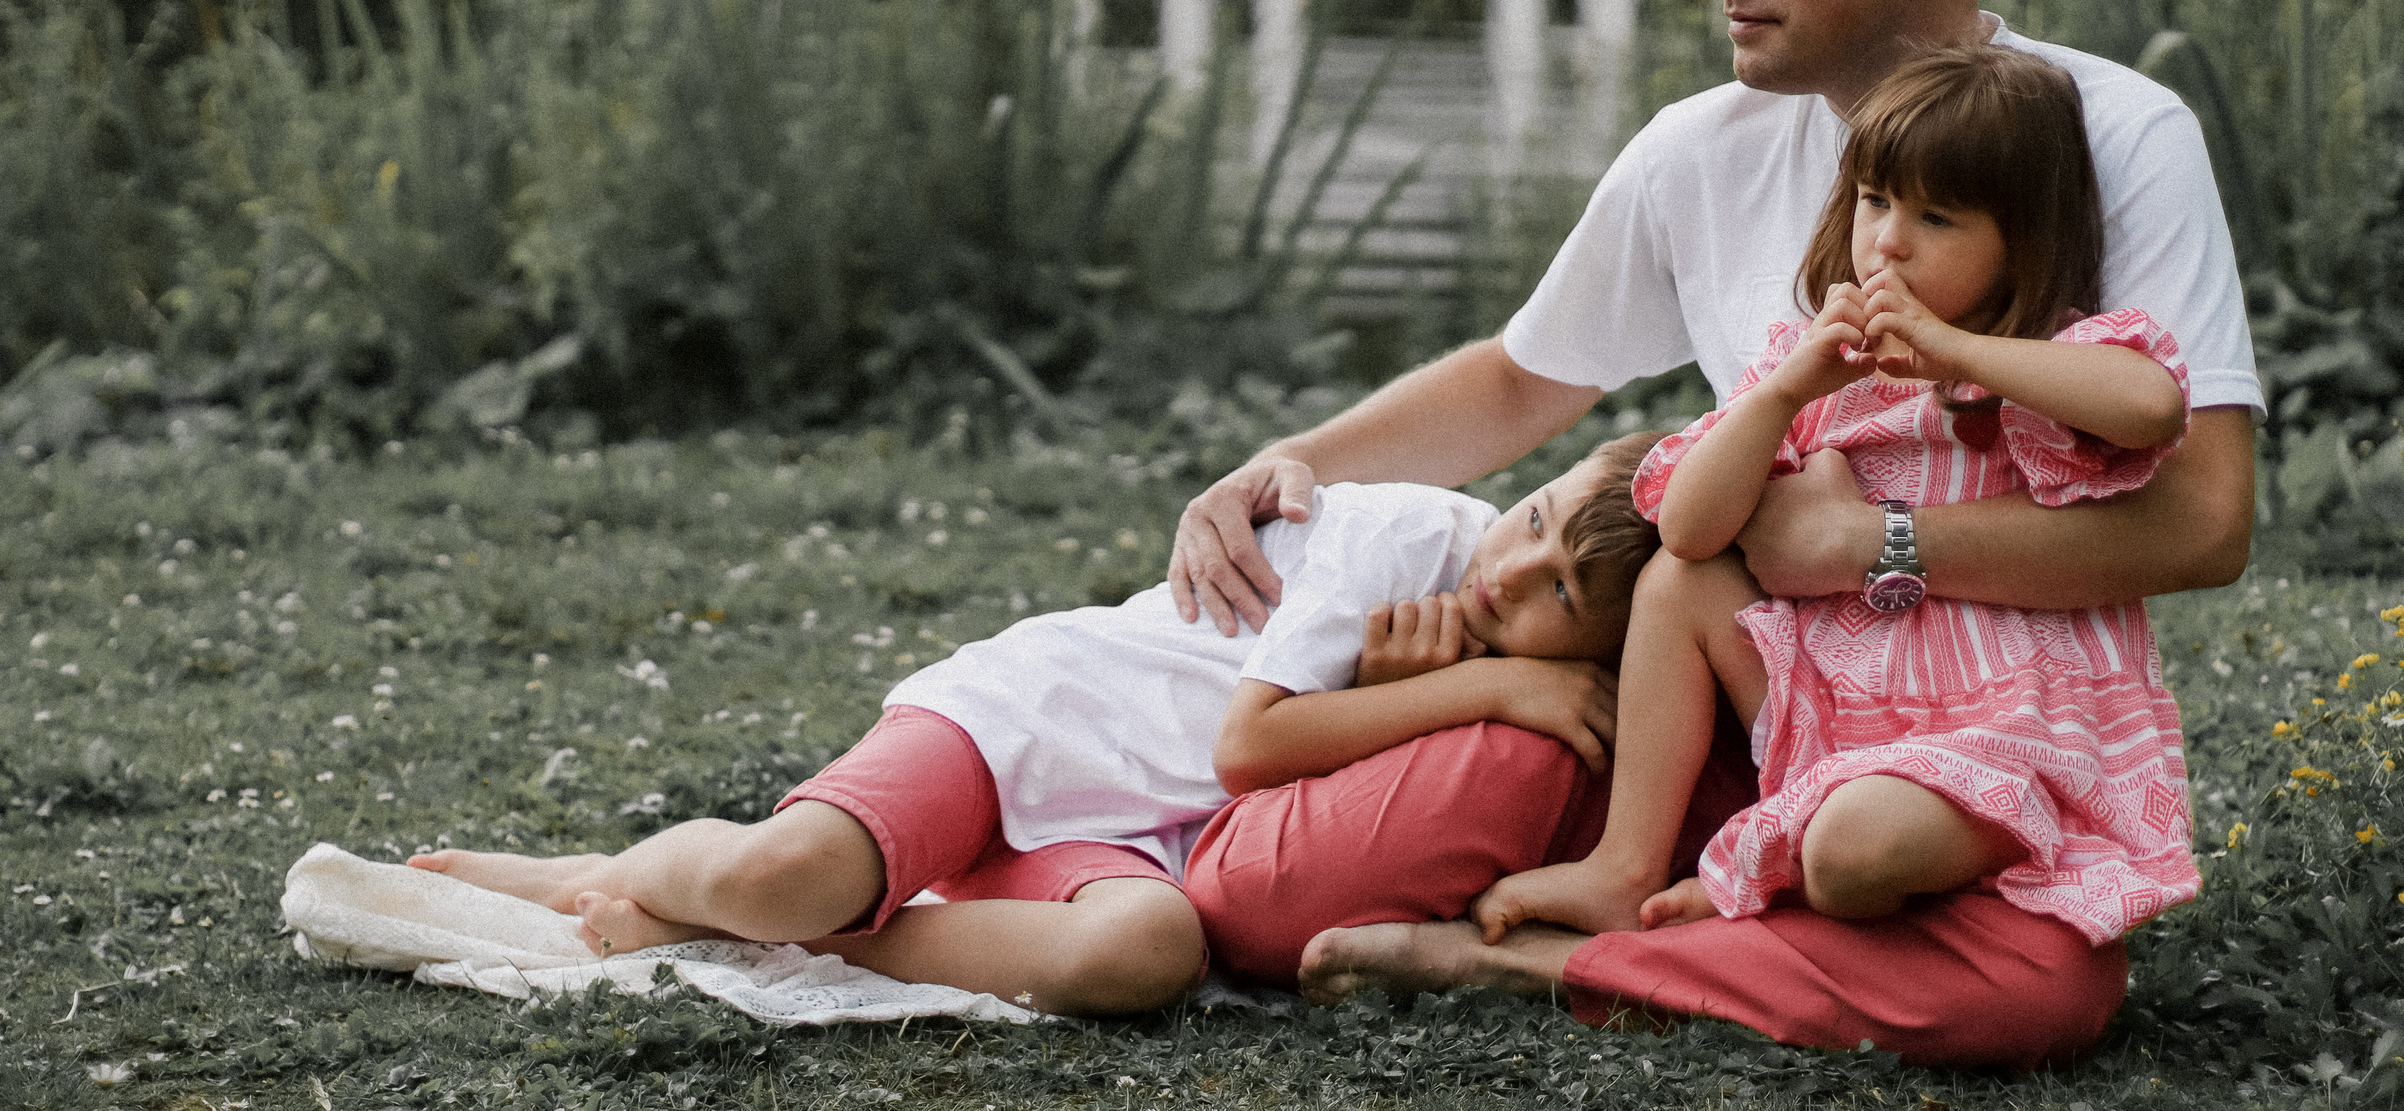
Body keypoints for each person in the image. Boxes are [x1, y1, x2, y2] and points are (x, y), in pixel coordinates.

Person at [1174, 0, 2261, 1067]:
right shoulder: (1699, 149)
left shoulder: (2106, 134)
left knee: (2035, 992)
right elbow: (1522, 376)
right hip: (1741, 709)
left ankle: (1558, 960)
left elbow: (2200, 520)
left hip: (1975, 737)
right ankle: (1678, 901)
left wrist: (1871, 544)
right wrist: (1291, 458)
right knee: (1264, 903)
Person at [406, 433, 1663, 1019]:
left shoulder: (1498, 664)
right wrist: (1492, 688)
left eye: (1560, 596)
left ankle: (733, 943)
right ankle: (598, 874)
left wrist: (1438, 696)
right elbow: (1250, 745)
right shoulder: (1415, 535)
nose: (1512, 571)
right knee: (781, 874)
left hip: (1143, 843)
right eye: (1536, 518)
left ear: (1608, 647)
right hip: (1035, 724)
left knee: (1145, 954)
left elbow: (1279, 802)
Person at [1473, 45, 2201, 959]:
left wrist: (1955, 351)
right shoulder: (1820, 365)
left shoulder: (2048, 366)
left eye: (1936, 217)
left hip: (2001, 730)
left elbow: (2152, 405)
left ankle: (1868, 864)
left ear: (2021, 242)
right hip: (1841, 713)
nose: (1889, 240)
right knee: (1680, 580)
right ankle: (1623, 867)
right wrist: (1783, 392)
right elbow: (1687, 527)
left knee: (1851, 850)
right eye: (1876, 200)